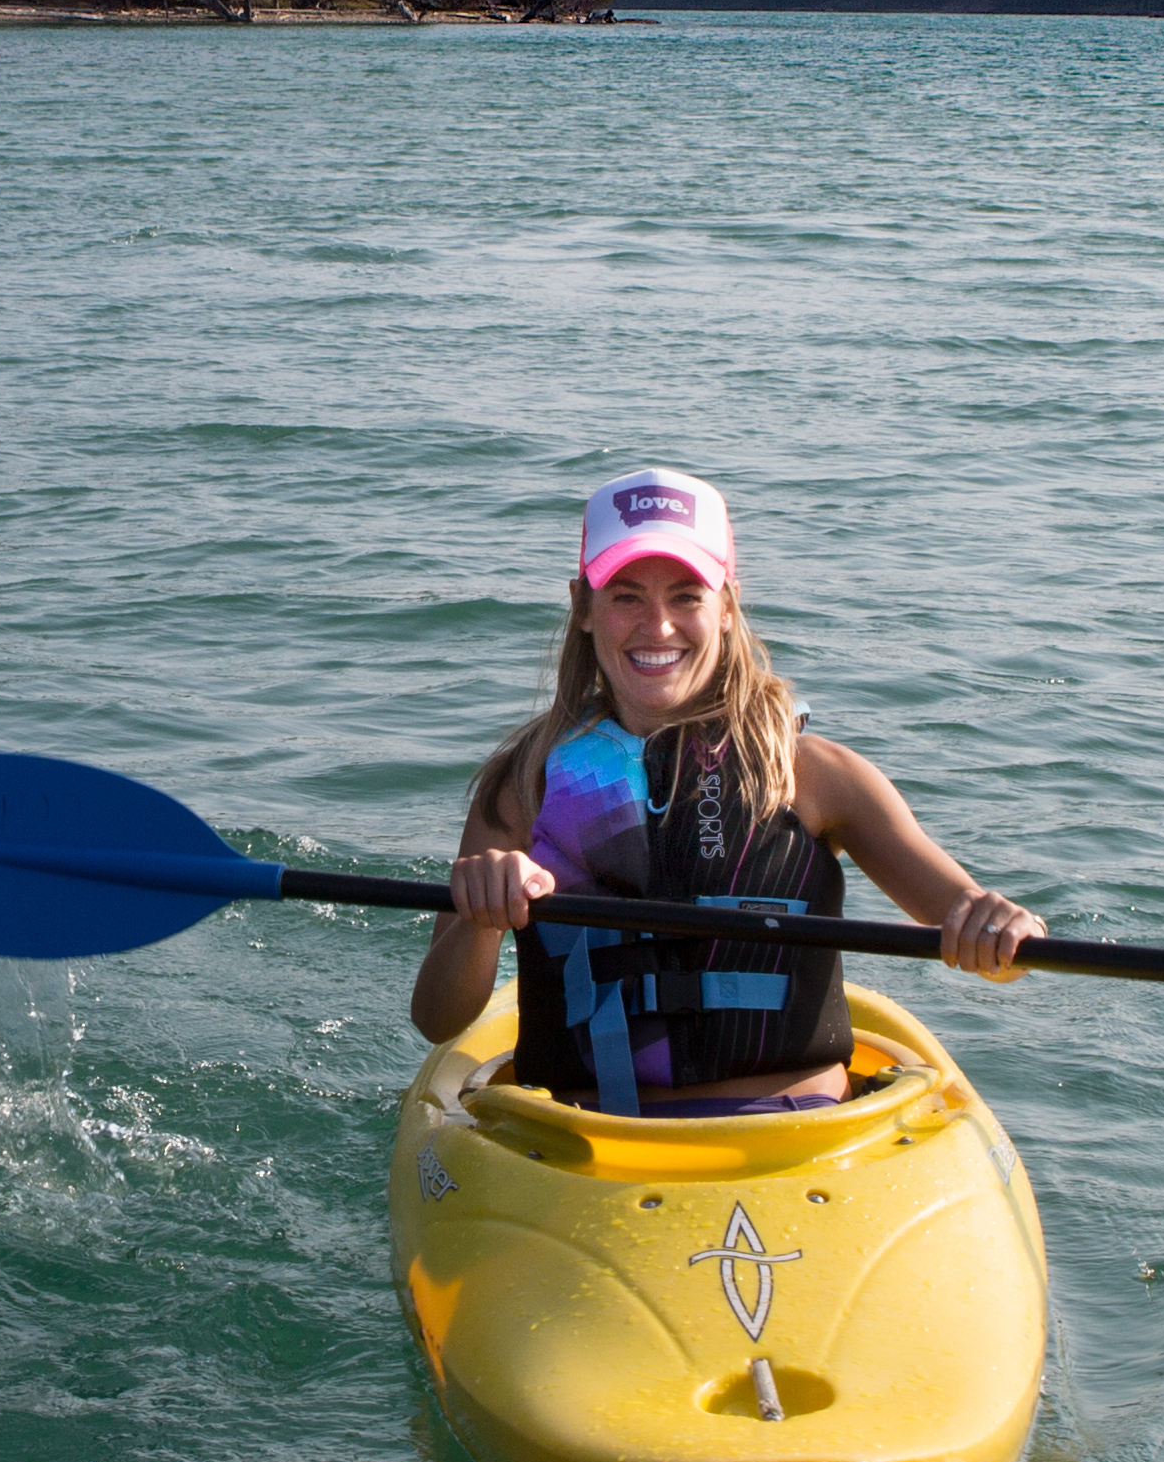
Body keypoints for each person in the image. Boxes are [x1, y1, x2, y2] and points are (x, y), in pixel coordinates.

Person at [410, 465, 1039, 1112]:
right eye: (627, 595)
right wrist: (479, 923)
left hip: (797, 1136)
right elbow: (437, 1018)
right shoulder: (522, 787)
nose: (657, 626)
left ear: (728, 607)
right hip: (581, 1143)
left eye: (687, 596)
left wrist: (1001, 927)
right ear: (583, 607)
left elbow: (996, 948)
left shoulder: (817, 775)